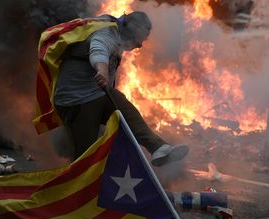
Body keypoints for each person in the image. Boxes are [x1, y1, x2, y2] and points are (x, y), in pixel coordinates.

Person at [38, 11, 189, 166]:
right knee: (85, 155)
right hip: (77, 100)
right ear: (131, 30)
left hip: (95, 93)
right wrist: (102, 70)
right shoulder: (107, 33)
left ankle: (158, 147)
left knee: (122, 107)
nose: (140, 45)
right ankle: (79, 183)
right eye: (140, 40)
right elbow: (98, 49)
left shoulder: (114, 31)